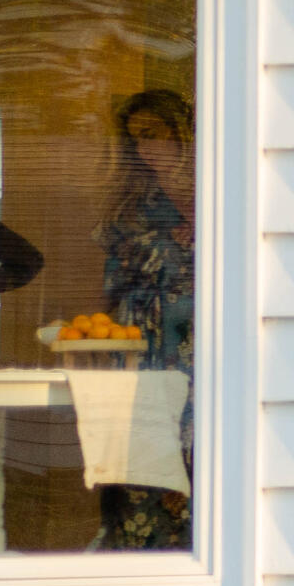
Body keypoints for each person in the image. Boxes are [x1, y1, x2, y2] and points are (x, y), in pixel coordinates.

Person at [95, 88, 194, 550]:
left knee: (199, 449)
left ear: (180, 132)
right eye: (135, 139)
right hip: (143, 344)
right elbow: (112, 278)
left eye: (152, 134)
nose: (144, 148)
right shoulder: (134, 199)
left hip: (199, 345)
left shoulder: (218, 187)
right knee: (142, 455)